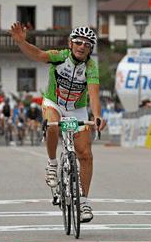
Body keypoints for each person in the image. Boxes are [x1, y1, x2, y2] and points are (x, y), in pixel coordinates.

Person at [8, 21, 107, 222]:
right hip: (54, 103)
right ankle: (52, 164)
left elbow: (94, 93)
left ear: (91, 49)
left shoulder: (90, 67)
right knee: (52, 125)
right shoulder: (60, 57)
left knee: (86, 155)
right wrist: (21, 43)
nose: (82, 47)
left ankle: (83, 202)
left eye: (87, 44)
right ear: (71, 44)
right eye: (78, 42)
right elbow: (37, 54)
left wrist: (97, 116)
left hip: (77, 110)